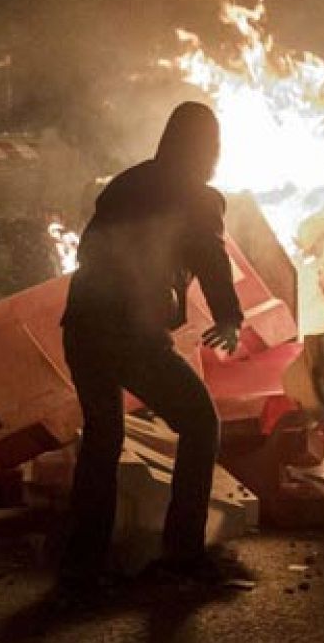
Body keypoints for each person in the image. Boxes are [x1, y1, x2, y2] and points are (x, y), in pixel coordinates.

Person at [58, 102, 244, 598]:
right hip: (128, 333)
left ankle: (82, 564)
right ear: (206, 148)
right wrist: (230, 316)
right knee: (201, 422)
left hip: (81, 325)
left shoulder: (126, 182)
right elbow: (211, 257)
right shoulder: (198, 197)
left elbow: (88, 251)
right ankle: (182, 554)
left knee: (102, 437)